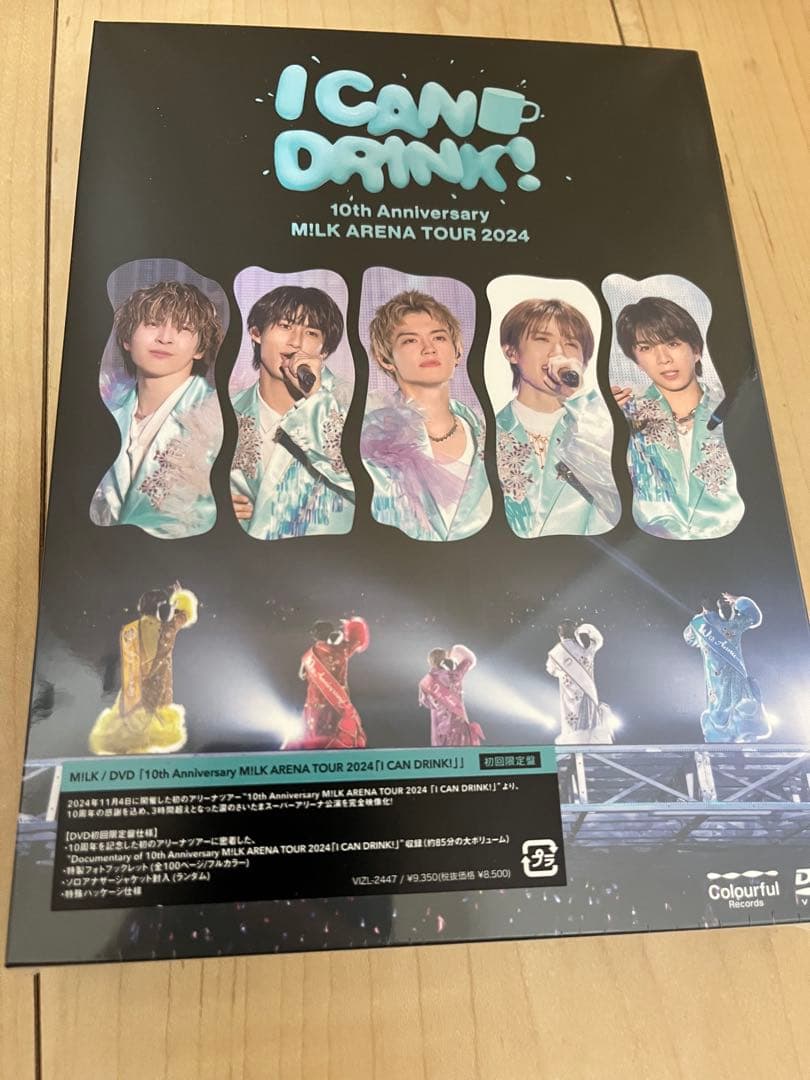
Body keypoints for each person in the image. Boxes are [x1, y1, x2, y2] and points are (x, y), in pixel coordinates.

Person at [90, 281, 224, 539]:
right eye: (152, 324)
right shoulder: (102, 411)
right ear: (127, 339)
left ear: (200, 348)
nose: (165, 338)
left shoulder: (220, 418)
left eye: (183, 328)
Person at [360, 290, 492, 541]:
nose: (429, 349)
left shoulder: (489, 432)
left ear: (458, 351)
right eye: (410, 340)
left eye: (439, 337)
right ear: (385, 358)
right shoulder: (366, 436)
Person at [611, 295, 744, 540]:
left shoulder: (735, 408)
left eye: (672, 343)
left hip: (738, 541)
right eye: (646, 348)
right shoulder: (622, 417)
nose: (663, 358)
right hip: (651, 549)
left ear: (696, 350)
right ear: (636, 360)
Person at [230, 285, 355, 540]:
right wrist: (211, 507)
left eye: (311, 332)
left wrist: (316, 398)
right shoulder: (220, 414)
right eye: (285, 326)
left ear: (324, 350)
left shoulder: (357, 409)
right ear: (256, 333)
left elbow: (376, 490)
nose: (296, 342)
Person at [495, 298, 620, 537]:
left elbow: (617, 494)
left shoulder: (601, 427)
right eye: (542, 339)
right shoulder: (487, 432)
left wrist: (580, 399)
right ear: (511, 352)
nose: (558, 353)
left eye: (571, 344)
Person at [89, 584, 199, 755]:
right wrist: (179, 597)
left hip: (132, 695)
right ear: (161, 608)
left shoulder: (129, 631)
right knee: (158, 740)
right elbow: (184, 614)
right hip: (158, 693)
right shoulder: (167, 628)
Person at [684, 593, 769, 742]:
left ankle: (726, 739)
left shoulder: (699, 624)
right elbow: (754, 618)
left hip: (716, 680)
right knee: (743, 708)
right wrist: (739, 601)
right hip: (734, 679)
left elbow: (689, 638)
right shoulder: (734, 622)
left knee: (720, 710)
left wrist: (701, 618)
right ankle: (747, 739)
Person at [283, 617, 370, 749]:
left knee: (314, 736)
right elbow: (357, 640)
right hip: (338, 701)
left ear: (315, 636)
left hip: (314, 702)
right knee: (336, 735)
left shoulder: (308, 656)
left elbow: (302, 675)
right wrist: (351, 628)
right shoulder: (342, 650)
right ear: (330, 633)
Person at [545, 620, 613, 744]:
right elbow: (598, 640)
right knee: (590, 720)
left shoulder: (555, 653)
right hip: (588, 691)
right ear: (574, 631)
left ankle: (574, 743)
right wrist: (585, 628)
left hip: (568, 694)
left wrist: (563, 674)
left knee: (570, 721)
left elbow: (551, 669)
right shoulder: (585, 648)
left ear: (560, 633)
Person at [418, 644, 484, 747]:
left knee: (443, 750)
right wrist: (456, 650)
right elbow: (469, 660)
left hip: (438, 725)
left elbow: (426, 702)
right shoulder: (454, 675)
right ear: (445, 659)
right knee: (462, 747)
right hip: (456, 720)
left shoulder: (427, 681)